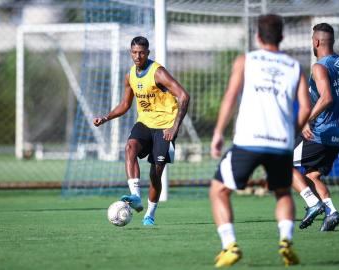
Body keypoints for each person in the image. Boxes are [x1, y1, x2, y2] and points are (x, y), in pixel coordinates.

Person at [209, 14, 311, 267]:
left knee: (219, 190)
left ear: (257, 36)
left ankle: (230, 246)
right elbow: (306, 108)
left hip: (249, 140)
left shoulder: (246, 60)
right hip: (281, 142)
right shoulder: (295, 67)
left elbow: (231, 95)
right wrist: (292, 132)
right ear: (282, 37)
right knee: (282, 192)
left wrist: (218, 132)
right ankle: (286, 241)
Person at [93, 36, 190, 226]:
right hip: (145, 123)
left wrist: (174, 126)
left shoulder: (158, 72)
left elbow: (184, 96)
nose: (138, 56)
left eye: (142, 52)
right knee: (130, 147)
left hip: (165, 127)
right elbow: (125, 104)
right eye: (135, 52)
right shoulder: (130, 75)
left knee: (155, 173)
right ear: (130, 52)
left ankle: (150, 215)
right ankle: (135, 196)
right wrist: (106, 118)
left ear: (148, 53)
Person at [292, 23, 339, 231]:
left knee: (277, 161)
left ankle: (312, 203)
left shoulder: (319, 66)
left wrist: (307, 120)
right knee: (311, 175)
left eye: (312, 41)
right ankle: (331, 212)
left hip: (320, 133)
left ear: (316, 42)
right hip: (338, 135)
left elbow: (327, 97)